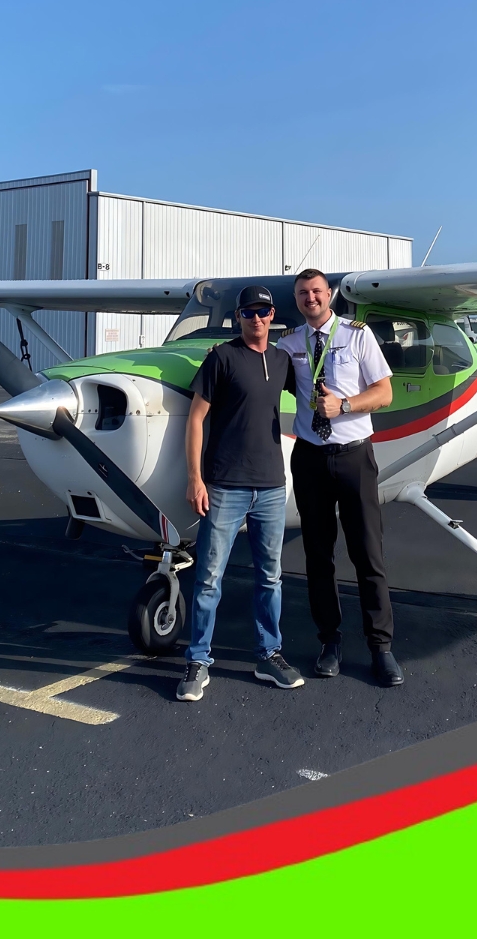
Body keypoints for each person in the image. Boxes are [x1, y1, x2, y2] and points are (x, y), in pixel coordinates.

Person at [177, 284, 304, 702]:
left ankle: (269, 655)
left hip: (270, 485)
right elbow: (196, 420)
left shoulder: (283, 360)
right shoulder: (222, 358)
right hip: (225, 484)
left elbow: (313, 392)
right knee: (209, 578)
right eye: (249, 312)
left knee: (270, 577)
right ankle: (198, 661)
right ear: (238, 317)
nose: (257, 318)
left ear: (272, 316)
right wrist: (195, 479)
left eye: (264, 312)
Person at [278, 269, 403, 687]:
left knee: (367, 553)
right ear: (296, 299)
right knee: (318, 556)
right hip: (310, 458)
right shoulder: (289, 344)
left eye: (316, 291)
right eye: (302, 293)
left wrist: (345, 405)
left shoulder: (357, 335)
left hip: (353, 456)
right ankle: (329, 641)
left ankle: (380, 647)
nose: (310, 298)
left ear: (328, 294)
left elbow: (384, 393)